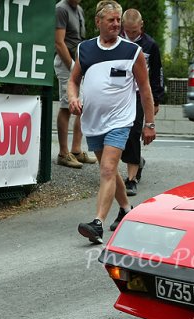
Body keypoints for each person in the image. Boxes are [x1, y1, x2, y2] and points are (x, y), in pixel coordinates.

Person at [69, 0, 156, 244]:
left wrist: (149, 123)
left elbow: (145, 89)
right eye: (111, 20)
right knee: (109, 170)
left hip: (121, 120)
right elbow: (74, 80)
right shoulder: (85, 49)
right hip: (93, 121)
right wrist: (73, 98)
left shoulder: (132, 52)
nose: (117, 24)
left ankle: (97, 223)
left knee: (107, 168)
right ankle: (127, 210)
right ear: (98, 22)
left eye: (119, 20)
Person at [120, 9, 165, 197]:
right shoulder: (116, 42)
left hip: (140, 95)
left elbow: (157, 74)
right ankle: (137, 160)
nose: (131, 35)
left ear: (141, 26)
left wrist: (155, 100)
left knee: (133, 133)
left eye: (134, 31)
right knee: (119, 136)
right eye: (127, 31)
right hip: (119, 94)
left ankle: (131, 179)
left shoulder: (150, 45)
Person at [54, 0, 97, 169]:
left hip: (79, 62)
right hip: (66, 64)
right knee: (66, 106)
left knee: (82, 106)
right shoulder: (61, 9)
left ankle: (76, 150)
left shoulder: (78, 9)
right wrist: (72, 66)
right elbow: (59, 42)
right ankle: (63, 153)